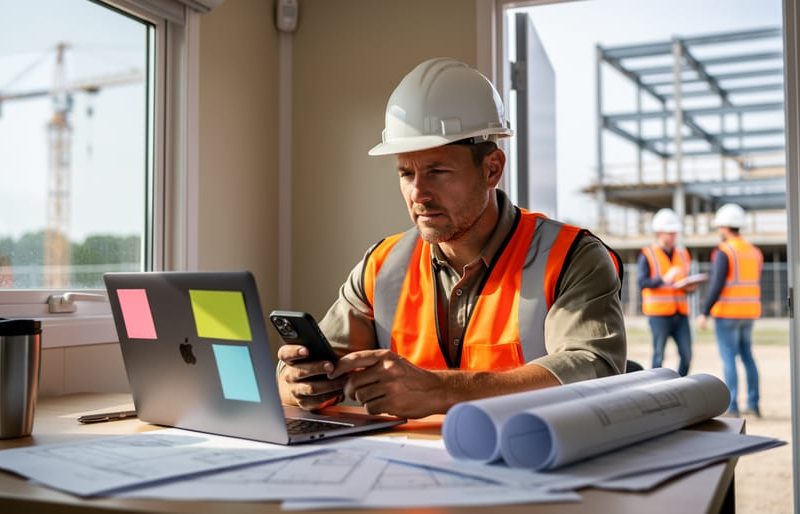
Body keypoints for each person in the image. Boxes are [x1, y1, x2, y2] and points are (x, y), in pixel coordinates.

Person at [277, 58, 626, 419]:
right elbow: (302, 372)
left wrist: (443, 390)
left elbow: (594, 369)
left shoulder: (572, 257)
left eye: (437, 171)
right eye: (406, 173)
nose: (418, 193)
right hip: (406, 463)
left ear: (492, 169)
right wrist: (298, 382)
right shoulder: (380, 265)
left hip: (528, 460)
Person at [697, 203, 763, 417]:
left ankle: (732, 407)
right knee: (748, 358)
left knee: (729, 360)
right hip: (749, 312)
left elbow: (716, 285)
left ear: (724, 227)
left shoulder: (724, 251)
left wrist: (704, 311)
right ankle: (754, 404)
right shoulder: (754, 252)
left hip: (727, 313)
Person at [637, 208, 693, 376]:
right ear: (659, 232)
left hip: (680, 313)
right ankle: (655, 389)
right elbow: (642, 282)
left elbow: (684, 281)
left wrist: (689, 287)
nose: (673, 236)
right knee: (658, 355)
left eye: (675, 232)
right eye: (670, 233)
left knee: (687, 355)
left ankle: (678, 385)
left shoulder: (683, 254)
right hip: (658, 314)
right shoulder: (647, 255)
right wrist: (663, 279)